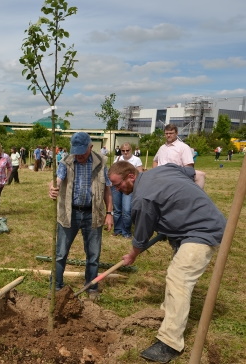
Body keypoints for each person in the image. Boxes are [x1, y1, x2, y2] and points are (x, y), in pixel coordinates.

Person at [108, 161, 225, 363]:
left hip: (202, 231)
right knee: (176, 273)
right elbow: (197, 174)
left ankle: (169, 343)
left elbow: (141, 238)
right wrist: (183, 207)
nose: (117, 189)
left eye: (118, 185)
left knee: (179, 279)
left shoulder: (142, 198)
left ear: (131, 176)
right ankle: (168, 314)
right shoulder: (164, 169)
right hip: (192, 228)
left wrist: (132, 255)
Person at [48, 132, 113, 300]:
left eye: (82, 152)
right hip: (70, 213)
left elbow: (107, 189)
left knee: (93, 254)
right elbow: (58, 180)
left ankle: (91, 287)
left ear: (90, 147)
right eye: (76, 151)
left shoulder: (101, 162)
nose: (79, 156)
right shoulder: (66, 162)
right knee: (61, 252)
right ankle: (55, 286)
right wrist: (53, 188)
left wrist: (109, 213)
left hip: (93, 214)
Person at [111, 142, 143, 238]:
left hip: (128, 188)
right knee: (117, 209)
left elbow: (140, 173)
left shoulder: (136, 159)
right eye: (123, 150)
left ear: (131, 150)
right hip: (117, 187)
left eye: (127, 150)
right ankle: (117, 230)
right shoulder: (117, 159)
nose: (125, 152)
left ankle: (126, 232)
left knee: (126, 210)